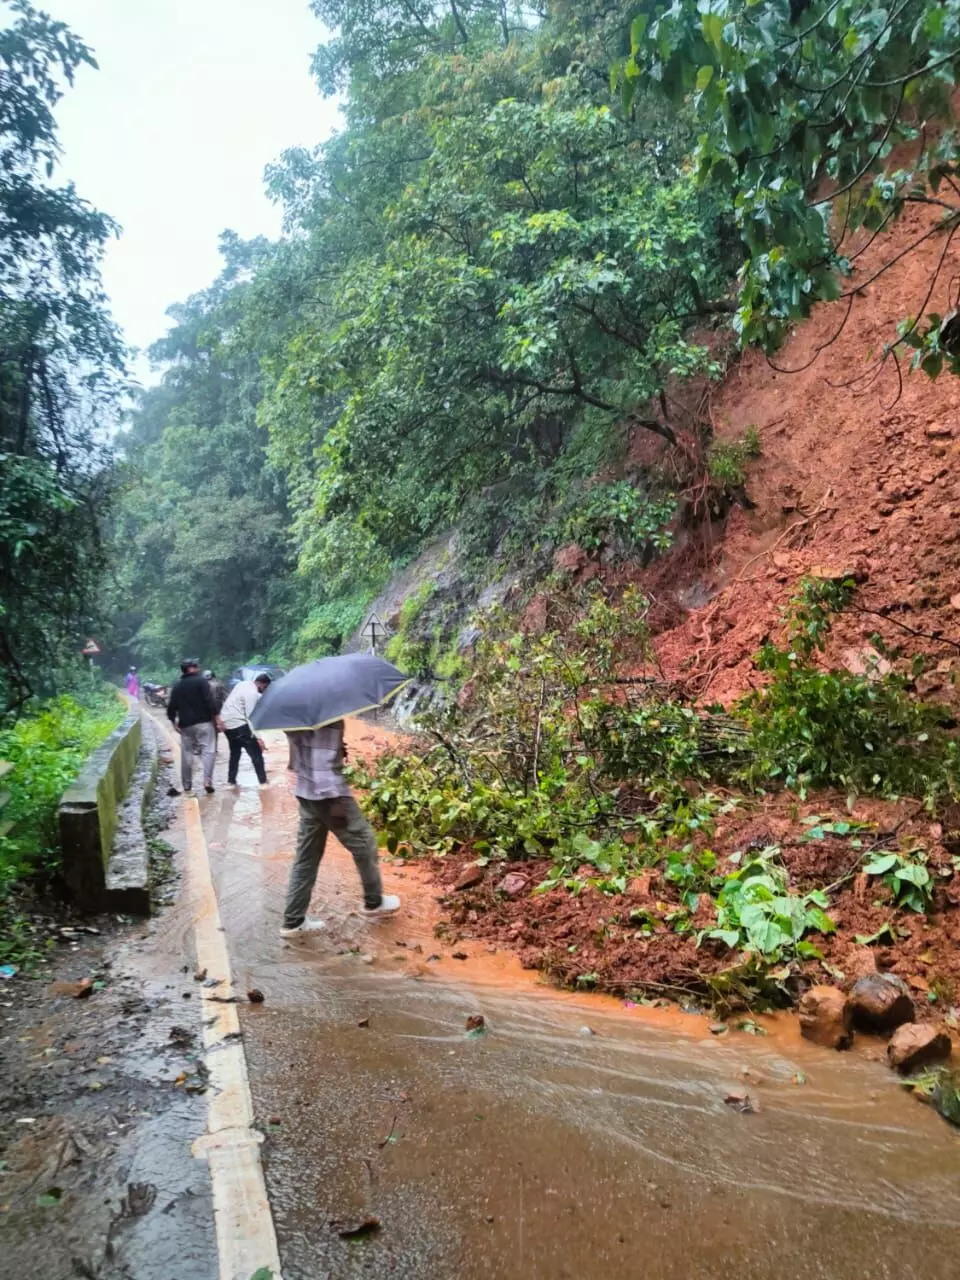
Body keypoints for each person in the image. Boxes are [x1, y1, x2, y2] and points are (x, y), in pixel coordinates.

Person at [280, 719, 400, 937]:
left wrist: (335, 750)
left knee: (306, 858)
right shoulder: (328, 718)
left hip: (306, 791)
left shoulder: (297, 714)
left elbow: (298, 758)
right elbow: (321, 763)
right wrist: (334, 800)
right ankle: (374, 902)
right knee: (365, 843)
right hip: (329, 796)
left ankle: (293, 921)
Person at [166, 658, 217, 795]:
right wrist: (216, 717)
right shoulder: (202, 682)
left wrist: (173, 722)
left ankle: (187, 786)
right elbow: (209, 701)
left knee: (187, 754)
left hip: (186, 726)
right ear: (191, 669)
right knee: (209, 751)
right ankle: (207, 781)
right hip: (204, 723)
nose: (198, 667)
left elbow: (171, 707)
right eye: (196, 665)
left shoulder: (177, 685)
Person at [219, 672, 271, 786]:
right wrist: (259, 738)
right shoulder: (252, 694)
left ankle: (231, 782)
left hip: (227, 724)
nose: (264, 690)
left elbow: (247, 699)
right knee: (256, 754)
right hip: (239, 725)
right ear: (262, 684)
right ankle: (263, 783)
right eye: (265, 688)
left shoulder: (243, 684)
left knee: (235, 754)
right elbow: (250, 717)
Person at [204, 670, 227, 753]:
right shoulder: (219, 684)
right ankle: (214, 748)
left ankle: (205, 747)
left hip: (204, 711)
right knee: (214, 729)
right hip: (217, 711)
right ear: (214, 676)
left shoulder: (202, 685)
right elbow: (225, 698)